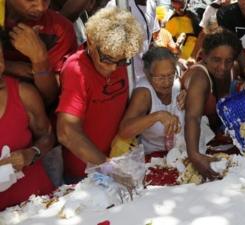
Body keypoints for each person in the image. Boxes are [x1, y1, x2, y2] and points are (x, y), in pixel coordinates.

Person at [56, 7, 143, 184]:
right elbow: (66, 132)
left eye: (120, 61)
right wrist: (108, 167)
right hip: (84, 172)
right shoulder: (76, 69)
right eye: (107, 59)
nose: (113, 68)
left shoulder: (118, 60)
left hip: (118, 162)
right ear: (91, 42)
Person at [0, 43, 55, 210]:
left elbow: (47, 136)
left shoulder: (23, 93)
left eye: (0, 57)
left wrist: (31, 153)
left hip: (36, 203)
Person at [183, 29, 242, 179]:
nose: (223, 67)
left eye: (228, 60)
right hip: (190, 141)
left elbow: (243, 58)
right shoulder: (200, 77)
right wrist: (195, 156)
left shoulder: (232, 69)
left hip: (216, 139)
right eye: (216, 60)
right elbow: (193, 118)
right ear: (204, 56)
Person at [3, 0, 77, 105]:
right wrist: (10, 67)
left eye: (46, 0)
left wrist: (39, 58)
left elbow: (51, 98)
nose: (41, 7)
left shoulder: (61, 30)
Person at [118, 47, 183, 155]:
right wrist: (157, 116)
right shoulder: (143, 93)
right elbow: (124, 131)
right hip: (154, 159)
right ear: (147, 74)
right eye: (160, 78)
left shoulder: (178, 83)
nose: (167, 83)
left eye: (170, 76)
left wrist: (187, 95)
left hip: (181, 154)